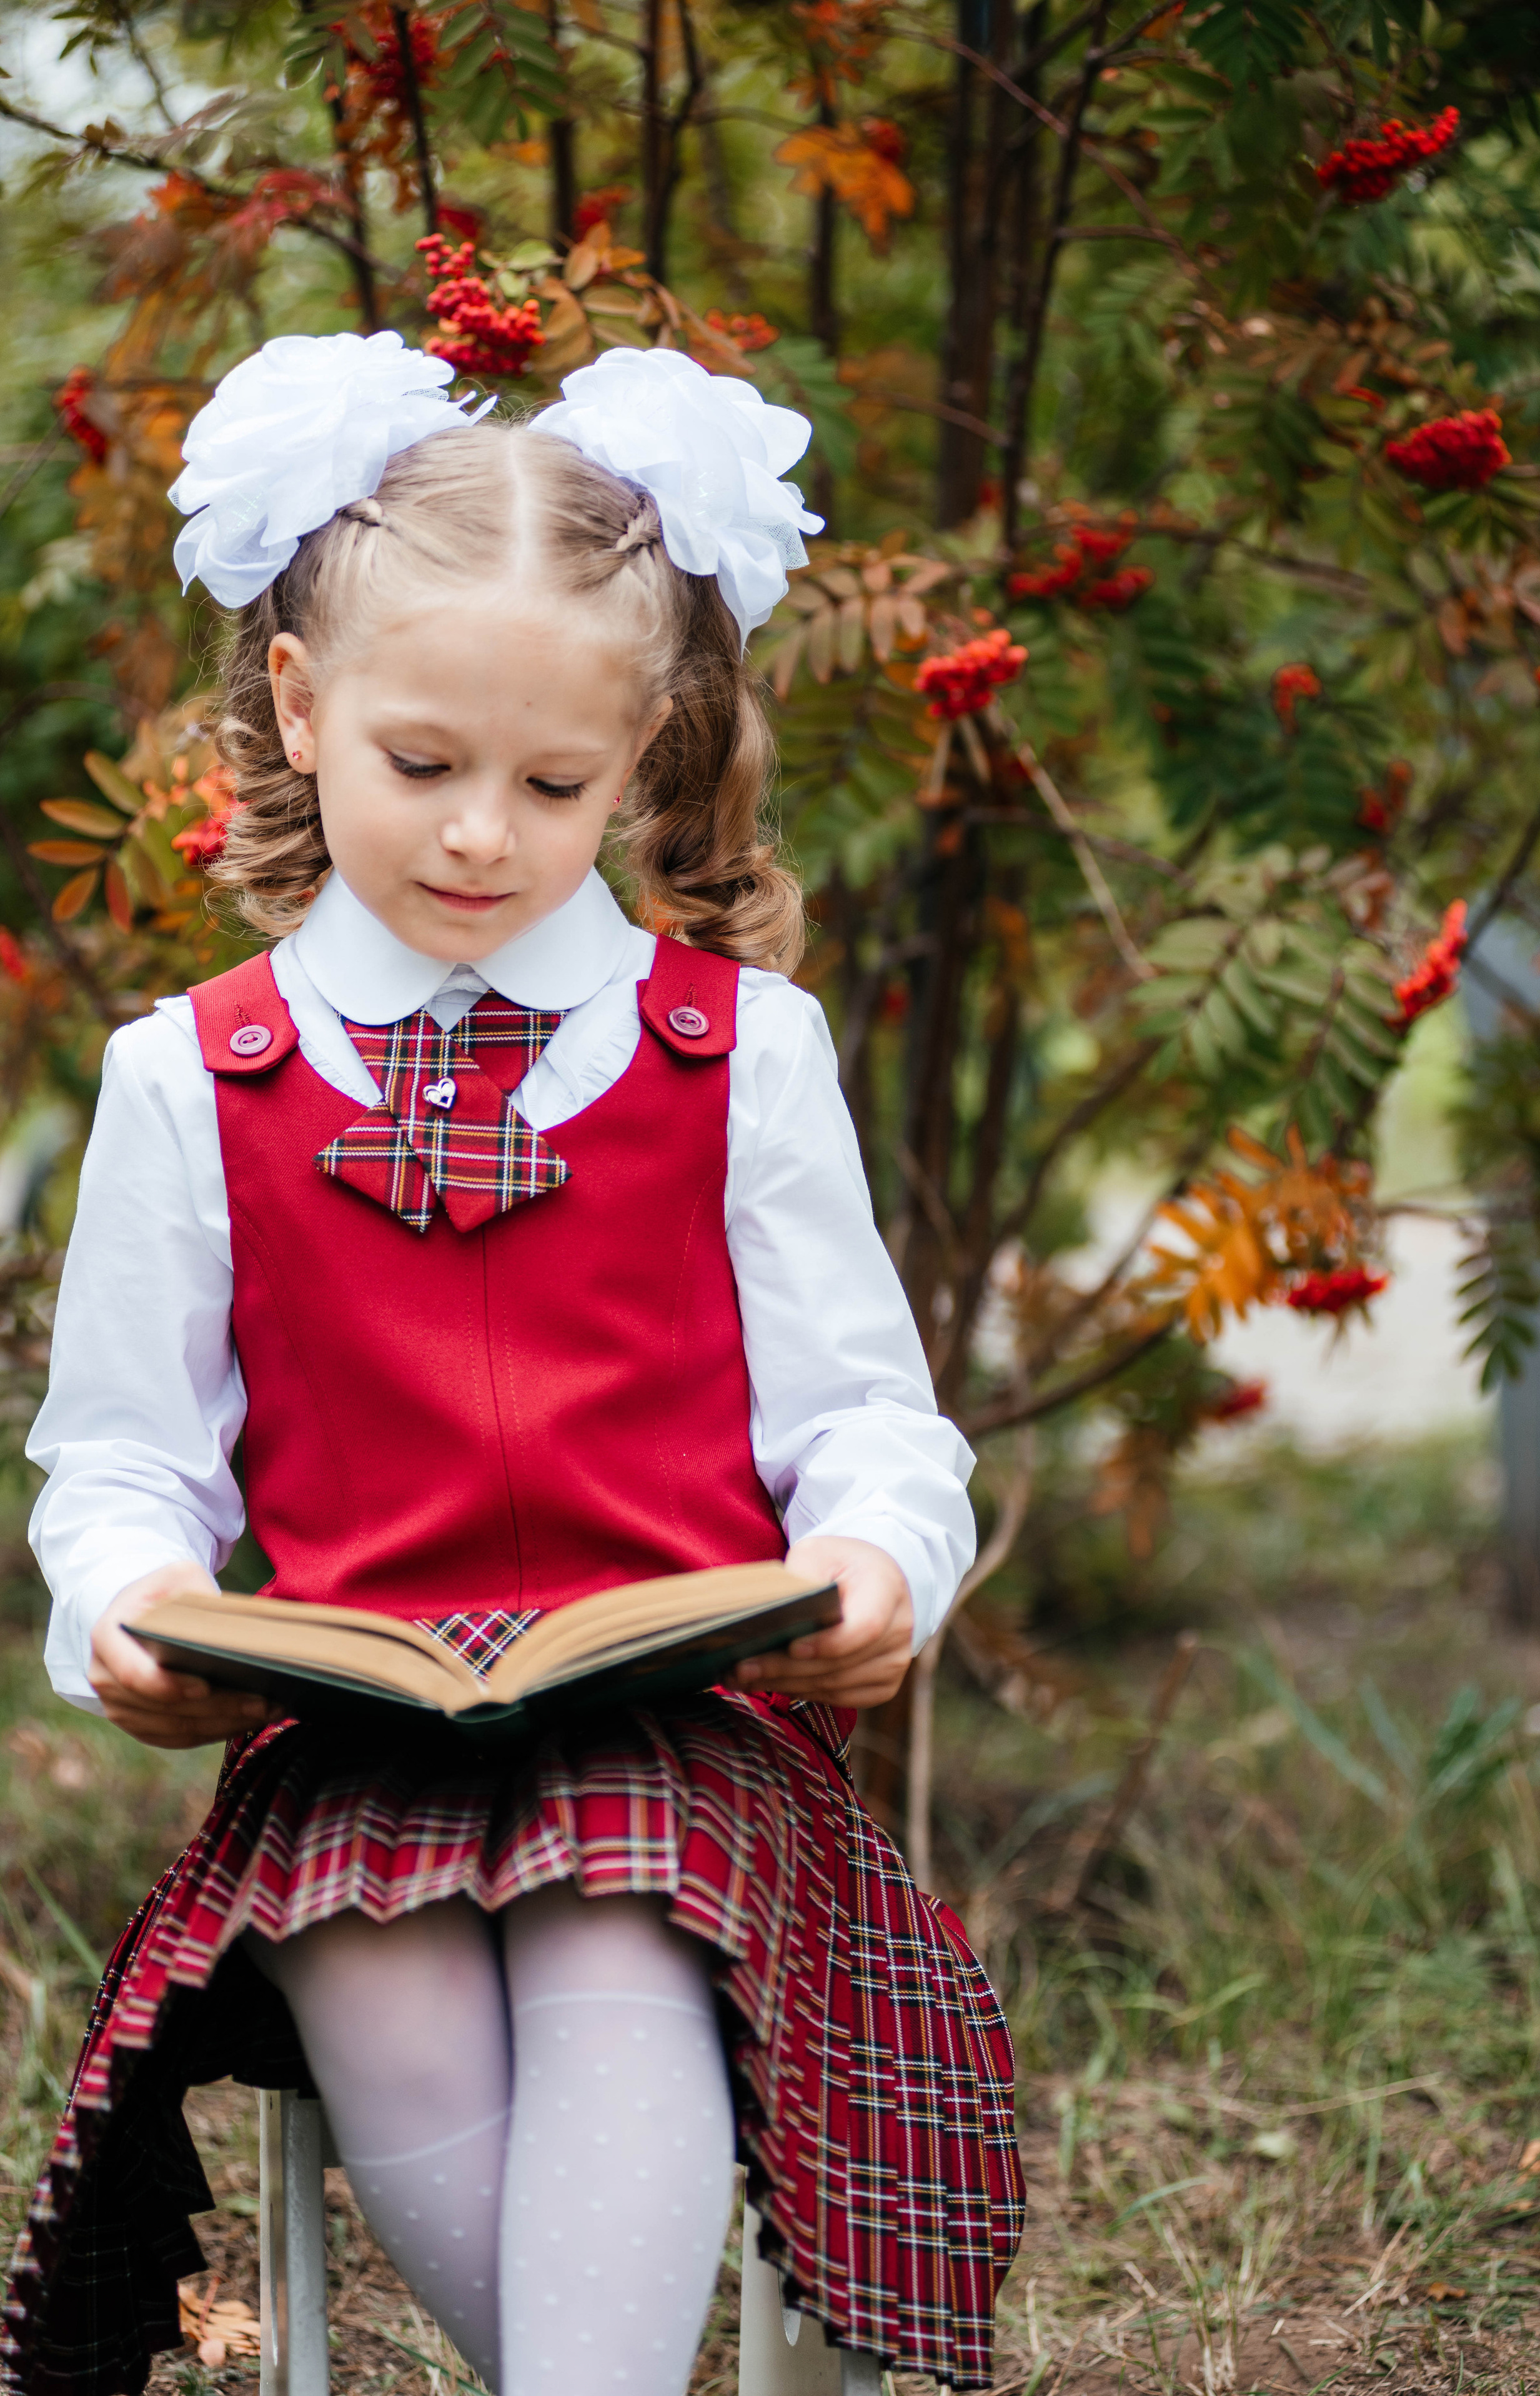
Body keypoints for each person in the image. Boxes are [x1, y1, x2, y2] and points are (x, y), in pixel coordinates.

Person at [0, 331, 1023, 2396]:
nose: (481, 835)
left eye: (553, 787)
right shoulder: (192, 1077)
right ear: (303, 708)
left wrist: (878, 1558)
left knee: (610, 1917)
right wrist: (130, 1610)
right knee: (372, 1971)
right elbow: (122, 1461)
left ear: (641, 753)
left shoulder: (737, 1055)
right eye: (422, 764)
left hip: (674, 1727)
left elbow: (862, 1416)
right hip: (353, 1734)